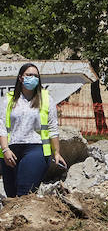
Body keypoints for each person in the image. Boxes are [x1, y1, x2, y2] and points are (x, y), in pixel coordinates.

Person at [1, 63, 66, 197]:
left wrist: (57, 152)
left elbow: (53, 127)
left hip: (36, 148)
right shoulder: (8, 99)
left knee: (25, 192)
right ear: (20, 78)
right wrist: (5, 149)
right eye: (29, 75)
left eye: (36, 76)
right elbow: (1, 125)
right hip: (11, 150)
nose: (33, 78)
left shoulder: (46, 99)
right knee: (11, 195)